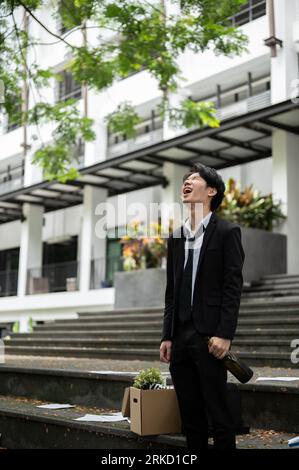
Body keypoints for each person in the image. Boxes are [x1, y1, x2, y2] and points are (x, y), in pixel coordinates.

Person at [160, 163, 245, 450]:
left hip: (209, 337)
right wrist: (167, 335)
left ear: (211, 191)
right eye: (186, 179)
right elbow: (171, 292)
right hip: (180, 337)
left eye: (194, 179)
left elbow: (232, 287)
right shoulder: (175, 237)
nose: (187, 182)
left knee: (219, 415)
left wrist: (225, 333)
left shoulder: (227, 232)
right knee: (191, 418)